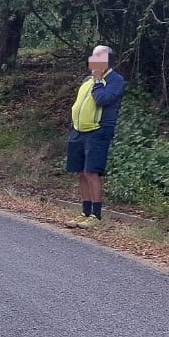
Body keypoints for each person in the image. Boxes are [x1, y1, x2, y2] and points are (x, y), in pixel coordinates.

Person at [66, 45, 125, 227]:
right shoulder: (87, 79)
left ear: (107, 60)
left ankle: (96, 216)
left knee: (92, 172)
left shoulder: (116, 80)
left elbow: (103, 99)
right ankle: (84, 212)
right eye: (94, 56)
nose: (94, 59)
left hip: (98, 131)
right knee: (81, 172)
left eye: (99, 56)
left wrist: (98, 81)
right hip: (79, 130)